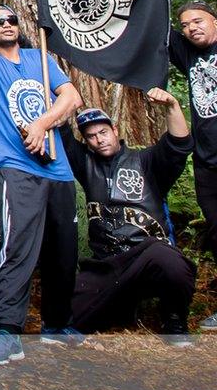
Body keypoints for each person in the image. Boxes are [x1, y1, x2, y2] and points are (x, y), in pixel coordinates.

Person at [0, 0, 83, 366]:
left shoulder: (40, 56)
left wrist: (44, 121)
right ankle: (9, 330)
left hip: (58, 168)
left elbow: (71, 98)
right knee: (18, 247)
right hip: (15, 166)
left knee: (63, 250)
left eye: (11, 19)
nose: (5, 24)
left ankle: (57, 322)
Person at [62, 91, 196, 344]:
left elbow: (179, 146)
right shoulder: (85, 164)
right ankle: (120, 308)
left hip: (147, 254)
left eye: (103, 132)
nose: (99, 140)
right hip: (108, 263)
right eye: (91, 136)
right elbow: (63, 135)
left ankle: (175, 318)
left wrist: (173, 106)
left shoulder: (146, 161)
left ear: (115, 129)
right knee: (70, 314)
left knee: (172, 263)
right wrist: (64, 100)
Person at [166, 0, 217, 331]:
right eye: (185, 25)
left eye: (197, 21)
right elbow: (155, 25)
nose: (190, 28)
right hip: (207, 163)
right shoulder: (188, 53)